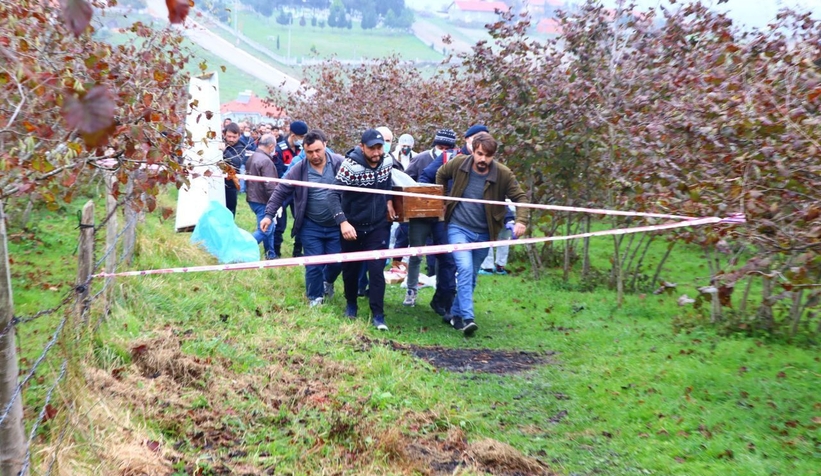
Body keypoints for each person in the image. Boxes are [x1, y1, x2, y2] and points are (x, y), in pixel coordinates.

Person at [436, 132, 529, 336]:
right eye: (479, 154)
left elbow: (520, 197)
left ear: (493, 155)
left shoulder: (503, 174)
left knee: (472, 276)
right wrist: (442, 199)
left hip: (484, 233)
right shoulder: (459, 164)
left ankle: (455, 315)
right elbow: (441, 174)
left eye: (488, 156)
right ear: (473, 150)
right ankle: (469, 318)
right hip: (458, 228)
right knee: (466, 269)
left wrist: (521, 221)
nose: (483, 159)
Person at [261, 130, 344, 306]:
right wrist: (269, 214)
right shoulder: (299, 168)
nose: (314, 155)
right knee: (313, 263)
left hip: (336, 224)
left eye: (318, 150)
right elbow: (281, 191)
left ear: (325, 145)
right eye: (309, 152)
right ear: (304, 150)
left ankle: (327, 282)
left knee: (337, 261)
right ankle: (315, 298)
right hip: (310, 225)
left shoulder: (339, 163)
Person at [328, 129, 397, 331]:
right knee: (351, 269)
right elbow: (332, 195)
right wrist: (343, 222)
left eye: (379, 147)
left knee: (376, 271)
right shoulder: (350, 167)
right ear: (362, 147)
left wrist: (390, 201)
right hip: (353, 226)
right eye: (371, 148)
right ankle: (351, 304)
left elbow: (387, 183)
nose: (376, 152)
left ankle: (378, 314)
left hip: (378, 226)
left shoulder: (387, 161)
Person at [272, 120, 309, 258]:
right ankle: (275, 252)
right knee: (280, 222)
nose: (302, 139)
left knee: (301, 220)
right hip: (284, 190)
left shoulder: (304, 150)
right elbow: (278, 171)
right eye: (300, 136)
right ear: (292, 134)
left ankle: (298, 252)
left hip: (299, 191)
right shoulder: (280, 149)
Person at [245, 133, 279, 259]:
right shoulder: (266, 161)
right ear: (271, 146)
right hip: (262, 199)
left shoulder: (253, 157)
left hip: (253, 197)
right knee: (266, 229)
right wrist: (276, 202)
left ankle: (270, 254)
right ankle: (243, 248)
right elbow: (270, 185)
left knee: (270, 228)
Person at [221, 122, 251, 216]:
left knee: (229, 211)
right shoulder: (219, 142)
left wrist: (225, 151)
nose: (231, 139)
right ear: (224, 134)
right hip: (216, 181)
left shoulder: (241, 146)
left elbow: (236, 162)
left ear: (239, 136)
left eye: (234, 137)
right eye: (229, 136)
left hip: (231, 183)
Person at [479, 201, 516, 275]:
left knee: (488, 239)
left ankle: (488, 268)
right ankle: (500, 267)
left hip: (499, 210)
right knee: (503, 240)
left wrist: (509, 219)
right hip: (509, 209)